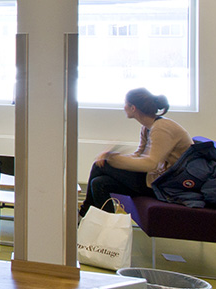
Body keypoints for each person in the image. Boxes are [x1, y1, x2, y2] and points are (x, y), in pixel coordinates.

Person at [79, 87, 192, 217]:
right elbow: (139, 155)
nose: (123, 107)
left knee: (101, 165)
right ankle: (106, 226)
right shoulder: (147, 127)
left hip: (167, 186)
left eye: (125, 104)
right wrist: (115, 156)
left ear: (133, 108)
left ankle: (83, 212)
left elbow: (151, 164)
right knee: (99, 183)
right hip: (156, 179)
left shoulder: (162, 128)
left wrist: (113, 160)